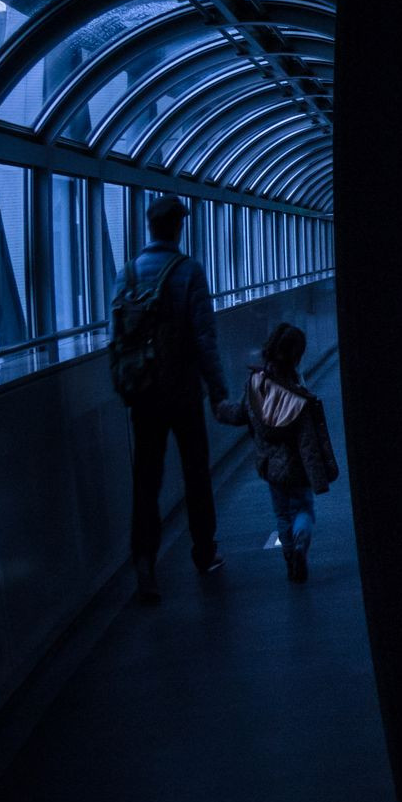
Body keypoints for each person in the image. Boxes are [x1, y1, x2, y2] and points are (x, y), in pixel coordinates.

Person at [109, 194, 229, 602]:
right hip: (183, 392)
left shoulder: (126, 274)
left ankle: (144, 561)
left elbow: (116, 338)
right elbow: (204, 337)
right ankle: (205, 552)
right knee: (196, 473)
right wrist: (218, 392)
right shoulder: (188, 270)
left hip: (143, 394)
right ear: (178, 226)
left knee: (146, 479)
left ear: (150, 225)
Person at [213, 320, 338, 582]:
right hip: (298, 469)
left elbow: (240, 414)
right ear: (296, 356)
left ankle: (290, 556)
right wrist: (319, 476)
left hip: (271, 467)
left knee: (282, 514)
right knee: (303, 510)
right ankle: (301, 542)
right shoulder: (298, 395)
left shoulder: (255, 384)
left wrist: (220, 409)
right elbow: (307, 443)